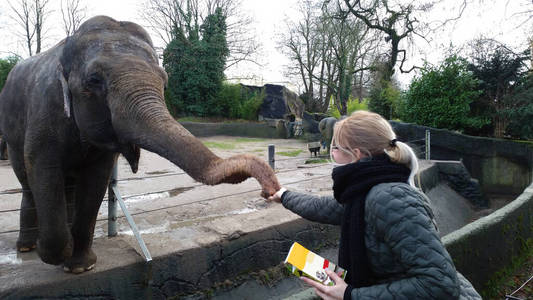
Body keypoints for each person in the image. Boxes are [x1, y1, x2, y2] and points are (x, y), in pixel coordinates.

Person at [268, 111, 481, 299]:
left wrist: (350, 294)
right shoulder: (363, 192)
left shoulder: (391, 198)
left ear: (357, 154)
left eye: (335, 148)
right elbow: (320, 207)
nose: (332, 154)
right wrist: (283, 195)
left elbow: (439, 284)